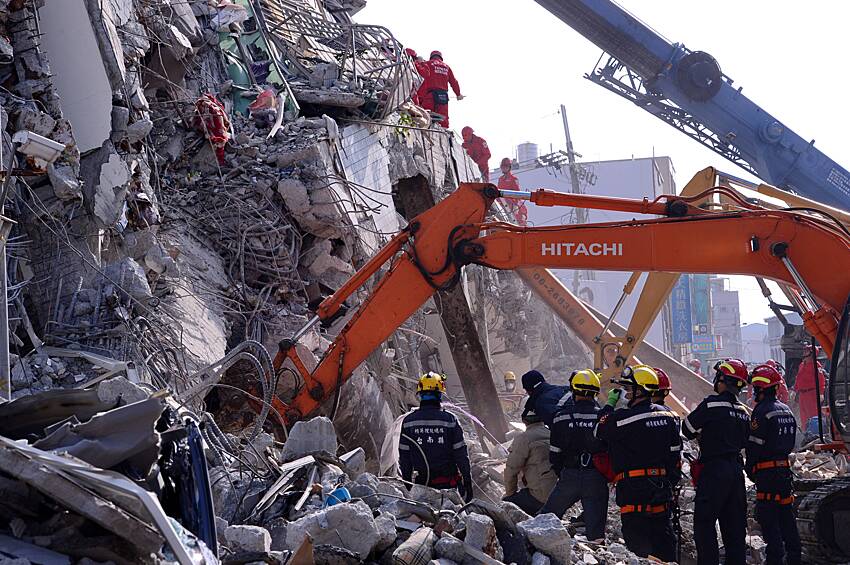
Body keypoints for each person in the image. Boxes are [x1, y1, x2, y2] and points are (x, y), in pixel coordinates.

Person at [595, 365, 681, 561]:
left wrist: (609, 404)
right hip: (660, 487)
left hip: (633, 490)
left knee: (637, 545)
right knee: (664, 540)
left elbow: (598, 430)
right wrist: (669, 482)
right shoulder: (669, 417)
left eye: (629, 389)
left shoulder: (623, 419)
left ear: (640, 391)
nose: (626, 393)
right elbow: (675, 455)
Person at [682, 359, 751, 565]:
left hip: (714, 471)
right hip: (736, 472)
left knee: (705, 524)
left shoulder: (711, 403)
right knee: (735, 527)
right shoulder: (743, 412)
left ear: (722, 380)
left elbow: (687, 428)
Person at [539, 370, 608, 542]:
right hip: (596, 478)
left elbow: (554, 454)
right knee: (596, 534)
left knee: (545, 520)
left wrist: (562, 472)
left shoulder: (561, 417)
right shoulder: (603, 419)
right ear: (596, 392)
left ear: (573, 390)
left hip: (569, 475)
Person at [747, 364, 802, 565]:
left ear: (761, 388)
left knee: (769, 519)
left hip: (767, 474)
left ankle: (775, 559)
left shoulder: (761, 411)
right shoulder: (786, 410)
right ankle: (795, 556)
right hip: (784, 471)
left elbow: (755, 445)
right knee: (787, 516)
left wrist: (750, 468)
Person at [399, 372, 473, 502]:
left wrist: (408, 485)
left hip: (423, 486)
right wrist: (467, 482)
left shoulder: (409, 422)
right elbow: (461, 455)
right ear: (440, 394)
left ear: (420, 395)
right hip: (449, 487)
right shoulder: (450, 420)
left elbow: (404, 458)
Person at [503, 409, 557, 515]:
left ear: (525, 421)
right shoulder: (553, 433)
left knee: (506, 505)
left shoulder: (524, 438)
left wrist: (510, 494)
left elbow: (511, 469)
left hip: (540, 496)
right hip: (559, 495)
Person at [419, 50, 462, 127]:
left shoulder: (428, 64)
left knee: (425, 117)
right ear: (441, 58)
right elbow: (454, 82)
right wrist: (458, 94)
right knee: (443, 121)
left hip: (430, 95)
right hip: (443, 97)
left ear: (431, 57)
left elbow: (422, 80)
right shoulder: (447, 67)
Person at [794, 351, 826, 427]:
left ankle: (815, 432)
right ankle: (806, 432)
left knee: (812, 415)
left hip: (811, 394)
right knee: (803, 416)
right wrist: (795, 390)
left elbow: (821, 380)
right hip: (802, 394)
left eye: (807, 352)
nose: (804, 353)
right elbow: (798, 378)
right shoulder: (802, 365)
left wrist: (821, 393)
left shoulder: (816, 365)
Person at [496, 157, 527, 226]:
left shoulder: (514, 179)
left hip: (511, 205)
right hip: (502, 205)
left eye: (505, 166)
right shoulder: (500, 179)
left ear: (509, 167)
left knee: (517, 221)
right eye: (502, 166)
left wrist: (515, 205)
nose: (504, 168)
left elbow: (517, 193)